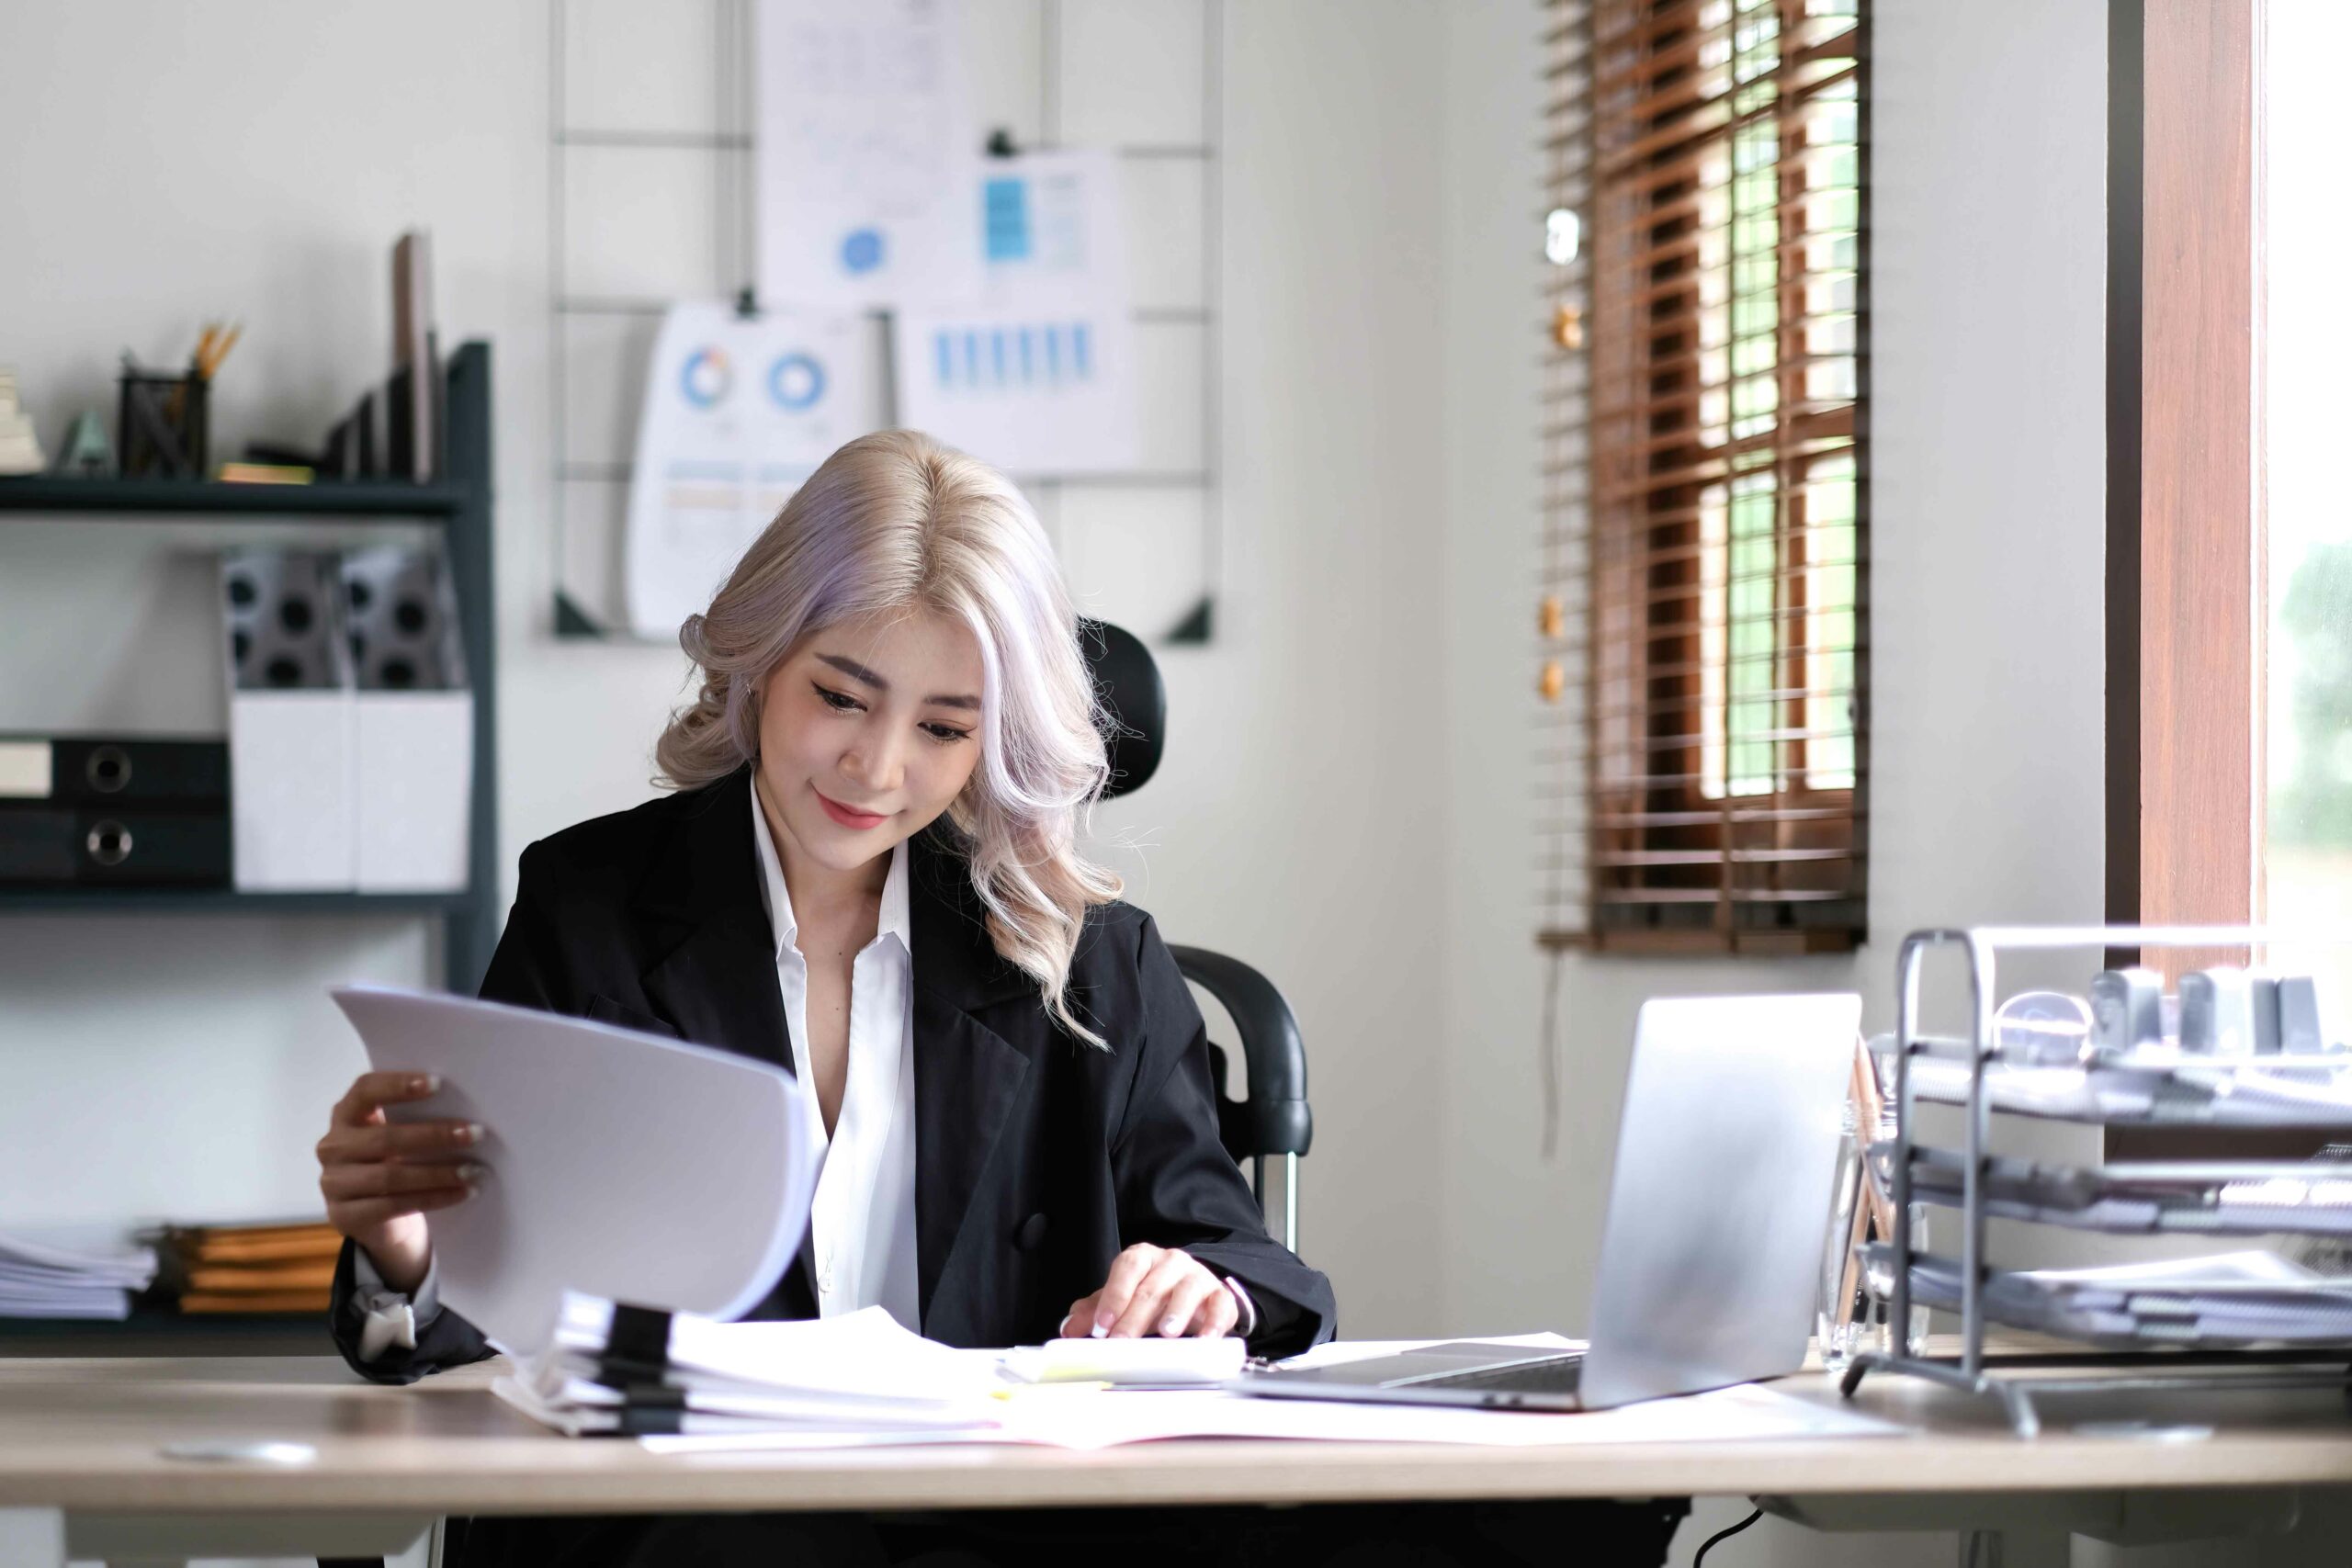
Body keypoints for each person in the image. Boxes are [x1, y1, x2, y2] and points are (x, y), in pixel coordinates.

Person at [311, 429, 1338, 1564]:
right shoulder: (590, 904)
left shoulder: (1093, 959)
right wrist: (410, 1253)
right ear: (759, 660)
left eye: (944, 728)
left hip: (994, 1531)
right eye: (842, 698)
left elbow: (1254, 1268)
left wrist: (1204, 1291)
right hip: (685, 1536)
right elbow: (494, 1312)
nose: (877, 768)